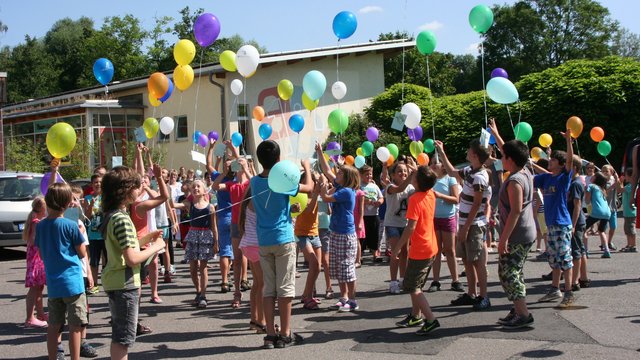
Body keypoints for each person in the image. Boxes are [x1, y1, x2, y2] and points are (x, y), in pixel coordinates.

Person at [250, 140, 312, 349]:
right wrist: (307, 168)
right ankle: (285, 334)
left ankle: (269, 335)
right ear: (278, 160)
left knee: (269, 289)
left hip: (264, 240)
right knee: (285, 288)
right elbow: (309, 188)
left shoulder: (254, 182)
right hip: (283, 239)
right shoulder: (283, 182)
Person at [100, 166, 165, 360]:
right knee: (123, 339)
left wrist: (146, 240)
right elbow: (132, 258)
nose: (140, 190)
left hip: (115, 281)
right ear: (126, 190)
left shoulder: (112, 216)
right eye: (136, 186)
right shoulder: (122, 219)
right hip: (124, 284)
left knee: (119, 336)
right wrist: (157, 246)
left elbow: (123, 247)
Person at [488, 119, 537, 328]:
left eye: (503, 156)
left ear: (510, 159)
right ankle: (518, 308)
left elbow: (516, 210)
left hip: (517, 234)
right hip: (524, 232)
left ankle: (523, 314)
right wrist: (496, 133)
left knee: (508, 273)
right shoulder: (524, 169)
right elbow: (511, 151)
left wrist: (503, 239)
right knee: (514, 271)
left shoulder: (516, 180)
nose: (500, 158)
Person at [435, 138, 492, 310]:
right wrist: (442, 152)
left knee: (477, 261)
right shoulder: (470, 171)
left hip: (473, 224)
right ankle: (471, 293)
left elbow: (477, 204)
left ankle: (484, 296)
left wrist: (466, 227)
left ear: (474, 155)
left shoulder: (480, 177)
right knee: (467, 260)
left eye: (469, 149)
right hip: (466, 223)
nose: (466, 151)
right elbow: (452, 172)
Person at [35, 182, 88, 360]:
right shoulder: (70, 225)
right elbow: (81, 253)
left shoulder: (40, 226)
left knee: (53, 325)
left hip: (54, 284)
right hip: (73, 282)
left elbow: (41, 254)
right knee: (75, 326)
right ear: (67, 203)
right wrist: (81, 231)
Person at [392, 165, 441, 335]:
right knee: (416, 283)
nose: (411, 178)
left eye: (414, 177)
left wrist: (398, 247)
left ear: (418, 182)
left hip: (420, 248)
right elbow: (425, 177)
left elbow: (410, 227)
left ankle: (431, 319)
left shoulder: (414, 199)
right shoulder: (431, 194)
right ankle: (415, 315)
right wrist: (418, 170)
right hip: (430, 246)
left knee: (413, 286)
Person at [533, 129, 576, 307]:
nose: (549, 161)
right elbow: (533, 177)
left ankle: (569, 292)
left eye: (552, 160)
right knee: (554, 259)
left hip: (561, 223)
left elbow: (570, 161)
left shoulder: (563, 178)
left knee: (565, 258)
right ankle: (554, 289)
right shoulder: (546, 178)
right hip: (551, 225)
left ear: (559, 164)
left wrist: (568, 142)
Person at [316, 143, 361, 312]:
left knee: (347, 268)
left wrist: (321, 189)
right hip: (336, 231)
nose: (337, 173)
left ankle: (353, 300)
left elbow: (326, 198)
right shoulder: (342, 187)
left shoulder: (347, 191)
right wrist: (321, 153)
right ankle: (344, 297)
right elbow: (328, 171)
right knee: (338, 266)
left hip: (345, 234)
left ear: (348, 177)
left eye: (341, 172)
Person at [211, 141, 251, 308]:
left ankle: (253, 290)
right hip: (235, 224)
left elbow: (255, 181)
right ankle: (236, 293)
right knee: (237, 259)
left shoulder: (250, 183)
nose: (237, 166)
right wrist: (224, 172)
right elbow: (214, 186)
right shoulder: (232, 184)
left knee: (251, 259)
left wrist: (245, 166)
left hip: (249, 224)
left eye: (238, 164)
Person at [171, 179, 218, 308]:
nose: (196, 188)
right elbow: (173, 205)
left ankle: (203, 295)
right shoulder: (188, 204)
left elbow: (214, 227)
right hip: (192, 235)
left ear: (204, 191)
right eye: (194, 187)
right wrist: (165, 189)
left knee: (203, 267)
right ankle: (198, 291)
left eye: (198, 186)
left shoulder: (210, 207)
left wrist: (216, 243)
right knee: (192, 269)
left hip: (205, 236)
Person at [426, 161, 462, 293]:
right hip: (433, 219)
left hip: (447, 218)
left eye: (437, 162)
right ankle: (435, 281)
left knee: (450, 250)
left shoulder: (450, 179)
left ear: (444, 166)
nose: (434, 164)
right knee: (436, 251)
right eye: (432, 162)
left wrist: (440, 196)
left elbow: (456, 199)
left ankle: (455, 280)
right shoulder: (430, 180)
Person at [383, 160, 417, 294]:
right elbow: (400, 189)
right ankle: (393, 282)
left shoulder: (410, 188)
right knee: (395, 252)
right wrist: (411, 175)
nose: (403, 173)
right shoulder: (390, 187)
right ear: (393, 175)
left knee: (405, 252)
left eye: (405, 171)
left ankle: (403, 279)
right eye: (399, 171)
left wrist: (417, 172)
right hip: (392, 224)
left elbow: (419, 191)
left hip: (405, 223)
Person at [206, 140, 234, 294]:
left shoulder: (219, 178)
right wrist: (233, 149)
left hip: (222, 217)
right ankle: (240, 279)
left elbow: (208, 165)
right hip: (236, 217)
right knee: (235, 250)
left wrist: (211, 148)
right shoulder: (237, 180)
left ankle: (224, 281)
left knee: (225, 250)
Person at [294, 174, 323, 310]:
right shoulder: (299, 196)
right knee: (314, 263)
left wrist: (321, 179)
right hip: (302, 234)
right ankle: (308, 297)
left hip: (314, 233)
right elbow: (309, 210)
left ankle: (307, 294)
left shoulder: (315, 192)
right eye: (308, 181)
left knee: (317, 267)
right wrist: (316, 193)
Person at [238, 191, 266, 334]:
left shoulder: (249, 200)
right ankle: (261, 322)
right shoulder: (257, 201)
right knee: (263, 284)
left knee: (257, 283)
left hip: (249, 244)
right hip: (255, 245)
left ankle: (254, 319)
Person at [23, 196, 48, 328]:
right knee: (34, 289)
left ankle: (40, 314)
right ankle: (29, 318)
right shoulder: (37, 222)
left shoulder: (35, 220)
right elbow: (33, 240)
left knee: (39, 287)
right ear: (42, 208)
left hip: (36, 258)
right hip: (36, 258)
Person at [567, 156, 590, 291]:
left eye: (568, 165)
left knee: (576, 251)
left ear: (574, 168)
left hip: (576, 220)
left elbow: (577, 205)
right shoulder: (575, 181)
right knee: (581, 250)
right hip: (579, 220)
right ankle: (584, 278)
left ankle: (575, 281)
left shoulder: (575, 183)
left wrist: (573, 225)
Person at [84, 174, 104, 294]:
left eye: (100, 182)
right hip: (93, 234)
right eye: (95, 182)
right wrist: (91, 204)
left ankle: (107, 283)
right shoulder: (87, 198)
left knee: (107, 260)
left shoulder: (107, 197)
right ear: (92, 184)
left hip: (105, 233)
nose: (98, 184)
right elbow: (87, 216)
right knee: (94, 261)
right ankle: (94, 283)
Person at [359, 165, 384, 262]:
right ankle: (359, 256)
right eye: (366, 174)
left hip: (374, 215)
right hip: (363, 216)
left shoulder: (374, 186)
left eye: (370, 174)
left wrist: (379, 202)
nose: (369, 176)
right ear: (361, 175)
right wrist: (365, 201)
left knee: (375, 235)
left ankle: (375, 255)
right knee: (362, 237)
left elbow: (381, 197)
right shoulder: (359, 186)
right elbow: (357, 197)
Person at [585, 172, 613, 259]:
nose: (591, 175)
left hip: (597, 211)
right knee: (601, 231)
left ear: (596, 178)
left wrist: (585, 192)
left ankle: (585, 251)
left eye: (594, 175)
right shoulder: (602, 189)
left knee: (583, 230)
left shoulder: (591, 186)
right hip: (607, 212)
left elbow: (587, 200)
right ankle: (606, 250)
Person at [602, 165, 619, 250]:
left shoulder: (613, 180)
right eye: (603, 171)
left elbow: (620, 189)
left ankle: (609, 242)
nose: (604, 173)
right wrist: (613, 186)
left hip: (613, 207)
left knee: (613, 226)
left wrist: (617, 180)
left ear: (611, 172)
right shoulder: (601, 182)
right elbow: (604, 193)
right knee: (603, 228)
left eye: (606, 171)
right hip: (604, 208)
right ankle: (603, 243)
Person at [620, 168, 637, 252]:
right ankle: (629, 244)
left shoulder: (631, 186)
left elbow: (620, 189)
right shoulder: (629, 186)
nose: (625, 177)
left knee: (631, 229)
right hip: (627, 212)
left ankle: (633, 245)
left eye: (626, 175)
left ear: (630, 176)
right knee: (627, 229)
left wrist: (619, 181)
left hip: (631, 212)